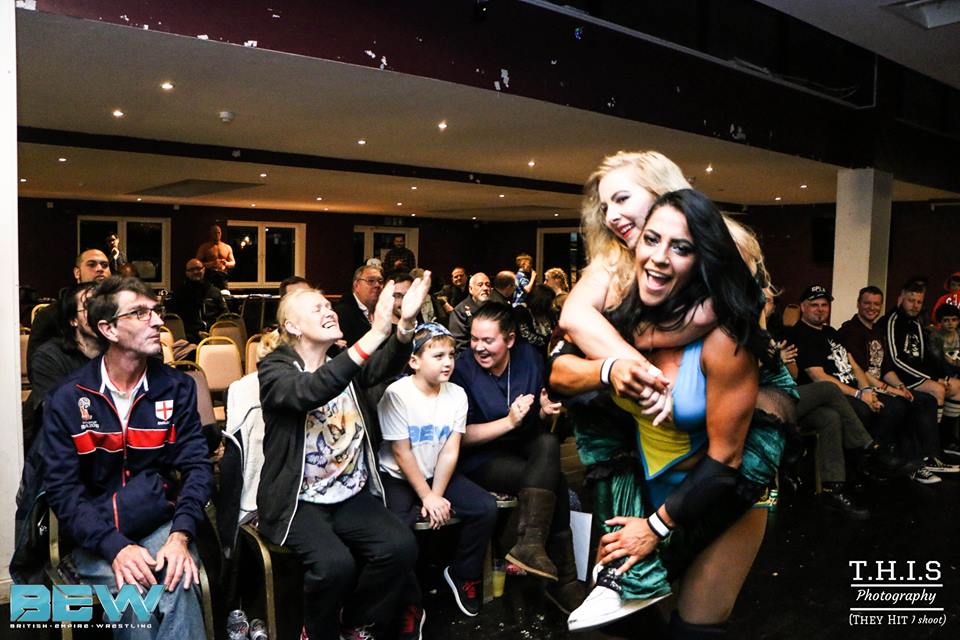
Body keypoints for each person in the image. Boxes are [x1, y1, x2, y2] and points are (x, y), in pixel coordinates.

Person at [552, 189, 776, 636]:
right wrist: (609, 368)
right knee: (633, 621)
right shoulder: (625, 315)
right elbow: (559, 372)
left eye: (682, 248)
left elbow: (727, 459)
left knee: (692, 627)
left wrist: (654, 528)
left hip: (720, 495)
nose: (659, 258)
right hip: (648, 487)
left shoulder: (725, 339)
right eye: (652, 240)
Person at [256, 273, 432, 640]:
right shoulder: (275, 369)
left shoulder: (340, 359)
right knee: (335, 565)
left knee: (400, 547)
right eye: (316, 308)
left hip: (349, 495)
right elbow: (311, 390)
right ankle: (316, 631)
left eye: (329, 305)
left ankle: (354, 622)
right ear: (292, 326)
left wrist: (405, 325)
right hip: (298, 501)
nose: (329, 311)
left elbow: (382, 366)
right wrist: (375, 332)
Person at [41, 276, 211, 638]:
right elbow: (63, 492)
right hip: (95, 529)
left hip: (157, 523)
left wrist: (180, 536)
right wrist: (115, 547)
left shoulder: (176, 388)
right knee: (136, 591)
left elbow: (197, 467)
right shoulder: (68, 398)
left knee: (178, 579)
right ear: (109, 329)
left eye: (155, 311)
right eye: (140, 313)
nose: (158, 321)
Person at [449, 302, 584, 613]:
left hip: (524, 446)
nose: (478, 347)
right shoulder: (462, 370)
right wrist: (508, 422)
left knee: (548, 442)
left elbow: (541, 416)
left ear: (510, 339)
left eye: (488, 340)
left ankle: (531, 544)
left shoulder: (529, 358)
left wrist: (546, 411)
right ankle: (563, 580)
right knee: (555, 481)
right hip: (480, 457)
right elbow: (460, 437)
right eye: (474, 339)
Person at [377, 323, 497, 620]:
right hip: (398, 476)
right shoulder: (397, 394)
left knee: (485, 508)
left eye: (452, 355)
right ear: (414, 361)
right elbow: (401, 452)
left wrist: (436, 494)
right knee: (398, 531)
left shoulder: (457, 394)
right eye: (438, 356)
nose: (448, 362)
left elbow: (450, 450)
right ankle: (409, 602)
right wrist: (427, 496)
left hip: (437, 474)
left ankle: (462, 574)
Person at [882, 280, 960, 457]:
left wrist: (940, 376)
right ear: (901, 298)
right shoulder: (892, 321)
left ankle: (945, 440)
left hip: (919, 375)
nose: (915, 305)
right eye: (911, 301)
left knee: (956, 386)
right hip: (900, 377)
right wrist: (933, 379)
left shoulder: (916, 323)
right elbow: (895, 360)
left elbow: (926, 358)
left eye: (919, 302)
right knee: (938, 389)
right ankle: (931, 449)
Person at [22, 282, 100, 452]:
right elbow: (59, 416)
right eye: (90, 307)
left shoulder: (118, 354)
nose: (99, 313)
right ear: (73, 320)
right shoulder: (50, 356)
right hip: (61, 449)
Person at [28, 248, 111, 368]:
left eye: (105, 265)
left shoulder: (119, 309)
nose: (100, 269)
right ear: (77, 273)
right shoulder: (50, 314)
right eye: (92, 264)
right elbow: (36, 365)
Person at [166, 259, 228, 343]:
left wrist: (215, 332)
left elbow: (224, 316)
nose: (195, 272)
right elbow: (174, 320)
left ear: (204, 269)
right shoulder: (179, 293)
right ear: (186, 273)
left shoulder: (214, 291)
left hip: (214, 336)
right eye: (191, 270)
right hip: (188, 338)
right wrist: (194, 334)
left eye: (198, 269)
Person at [333, 264, 385, 346]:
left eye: (380, 281)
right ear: (356, 285)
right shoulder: (340, 315)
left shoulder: (385, 311)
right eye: (371, 281)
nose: (377, 285)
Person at [448, 272, 492, 351]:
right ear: (471, 289)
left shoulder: (496, 308)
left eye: (488, 285)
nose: (485, 288)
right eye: (480, 285)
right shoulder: (460, 311)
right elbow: (460, 344)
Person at [515, 284, 557, 357]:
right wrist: (548, 341)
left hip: (548, 352)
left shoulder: (550, 312)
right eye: (550, 302)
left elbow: (554, 329)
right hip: (530, 354)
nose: (552, 305)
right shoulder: (521, 311)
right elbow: (526, 335)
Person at [195, 224, 235, 290]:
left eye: (218, 232)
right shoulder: (204, 247)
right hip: (209, 277)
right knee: (210, 294)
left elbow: (233, 263)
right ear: (210, 234)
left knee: (224, 295)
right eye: (214, 233)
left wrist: (226, 263)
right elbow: (196, 264)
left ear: (221, 233)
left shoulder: (227, 247)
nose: (217, 235)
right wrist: (212, 263)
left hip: (222, 277)